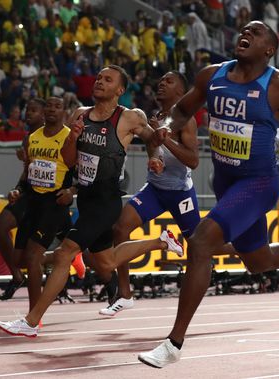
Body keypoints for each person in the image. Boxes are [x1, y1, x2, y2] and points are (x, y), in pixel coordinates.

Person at [138, 21, 279, 368]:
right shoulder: (211, 76)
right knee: (257, 261)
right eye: (243, 30)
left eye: (256, 32)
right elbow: (182, 110)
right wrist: (166, 126)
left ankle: (173, 343)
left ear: (269, 50)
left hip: (260, 183)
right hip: (225, 182)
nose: (244, 34)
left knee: (202, 242)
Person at [0, 65, 183, 337]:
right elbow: (69, 160)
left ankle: (31, 321)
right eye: (98, 78)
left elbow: (150, 138)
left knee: (64, 254)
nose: (100, 82)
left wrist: (155, 156)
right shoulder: (80, 114)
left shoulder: (128, 117)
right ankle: (162, 241)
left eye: (108, 80)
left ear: (120, 90)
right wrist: (72, 137)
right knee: (105, 263)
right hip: (85, 198)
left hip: (106, 201)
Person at [100, 71, 199, 316]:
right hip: (155, 189)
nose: (161, 83)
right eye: (161, 80)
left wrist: (164, 141)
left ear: (181, 92)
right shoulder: (155, 118)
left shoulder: (185, 120)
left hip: (180, 194)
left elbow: (194, 160)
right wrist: (155, 160)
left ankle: (242, 250)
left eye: (168, 81)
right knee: (120, 228)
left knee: (201, 247)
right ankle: (125, 294)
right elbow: (152, 149)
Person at [8, 96, 76, 314]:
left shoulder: (70, 137)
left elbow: (84, 173)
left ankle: (33, 316)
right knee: (19, 260)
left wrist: (72, 191)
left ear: (64, 112)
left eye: (58, 106)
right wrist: (18, 189)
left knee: (33, 255)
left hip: (55, 202)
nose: (52, 109)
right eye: (48, 105)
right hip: (33, 200)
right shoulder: (32, 138)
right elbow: (27, 172)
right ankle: (63, 256)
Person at [0, 98, 45, 301]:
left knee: (40, 251)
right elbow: (27, 173)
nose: (27, 113)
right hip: (28, 193)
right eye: (26, 109)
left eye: (33, 110)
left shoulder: (56, 134)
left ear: (43, 114)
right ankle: (16, 275)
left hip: (47, 197)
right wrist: (17, 189)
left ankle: (70, 270)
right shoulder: (27, 138)